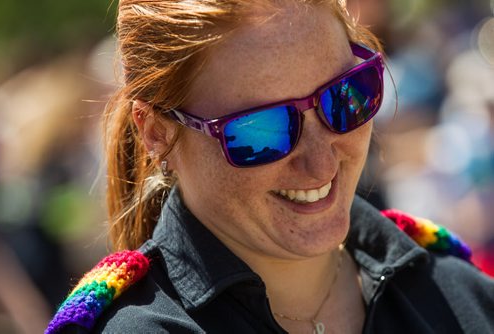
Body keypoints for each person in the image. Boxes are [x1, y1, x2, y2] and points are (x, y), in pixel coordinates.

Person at [45, 0, 494, 333]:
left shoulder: (459, 294)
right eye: (261, 131)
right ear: (157, 132)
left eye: (346, 96)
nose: (321, 162)